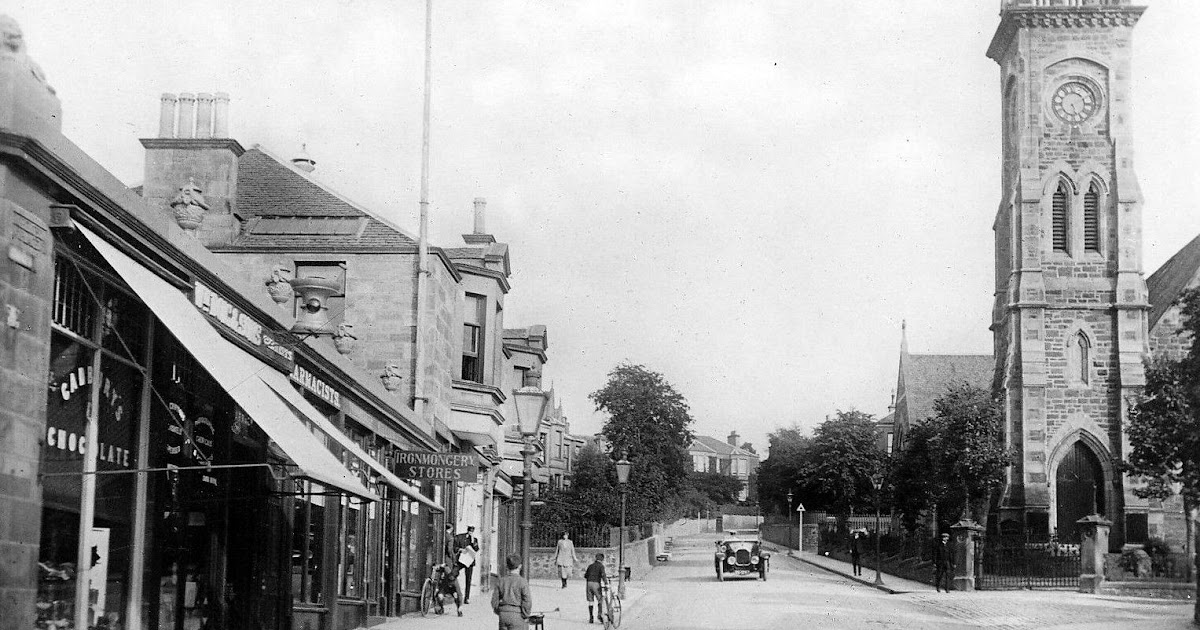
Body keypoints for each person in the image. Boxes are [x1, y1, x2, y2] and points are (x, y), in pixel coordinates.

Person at [491, 553, 531, 630]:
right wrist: (526, 614)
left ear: (507, 567)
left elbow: (494, 600)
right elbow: (527, 601)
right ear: (520, 566)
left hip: (503, 615)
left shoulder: (501, 581)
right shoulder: (522, 581)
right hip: (517, 615)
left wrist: (499, 610)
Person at [454, 525, 480, 604]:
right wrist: (461, 550)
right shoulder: (460, 537)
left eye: (472, 532)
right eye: (470, 531)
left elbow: (476, 549)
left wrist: (472, 541)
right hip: (461, 560)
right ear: (467, 530)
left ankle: (467, 598)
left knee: (468, 579)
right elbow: (455, 547)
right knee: (454, 573)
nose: (471, 533)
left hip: (469, 561)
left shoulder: (474, 540)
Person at [584, 552, 608, 624]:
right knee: (600, 600)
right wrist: (606, 583)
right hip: (596, 584)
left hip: (589, 583)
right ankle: (599, 615)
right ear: (602, 559)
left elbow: (585, 576)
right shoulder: (601, 566)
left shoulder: (590, 565)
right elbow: (603, 575)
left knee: (590, 601)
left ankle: (591, 617)